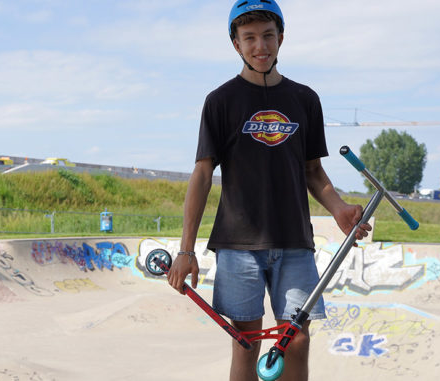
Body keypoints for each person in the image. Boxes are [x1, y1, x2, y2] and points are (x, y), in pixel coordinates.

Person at [166, 1, 372, 380]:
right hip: (238, 244)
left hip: (294, 240)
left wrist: (339, 208)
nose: (260, 46)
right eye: (249, 38)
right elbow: (201, 174)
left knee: (297, 339)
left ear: (281, 38)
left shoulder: (305, 99)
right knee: (246, 340)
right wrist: (185, 249)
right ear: (235, 44)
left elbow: (313, 171)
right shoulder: (220, 101)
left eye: (267, 35)